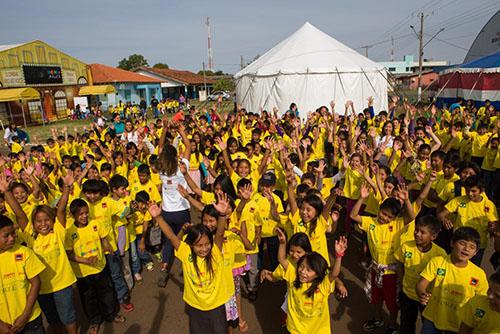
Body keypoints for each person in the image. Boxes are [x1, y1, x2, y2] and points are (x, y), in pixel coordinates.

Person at [147, 194, 234, 334]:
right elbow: (171, 235)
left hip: (216, 306)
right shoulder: (185, 252)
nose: (204, 248)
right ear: (191, 245)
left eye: (207, 244)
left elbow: (219, 233)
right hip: (195, 307)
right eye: (199, 245)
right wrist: (158, 217)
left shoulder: (215, 252)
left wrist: (222, 214)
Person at [417, 227, 488, 334]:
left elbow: (482, 301)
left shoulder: (479, 274)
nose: (466, 249)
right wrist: (422, 294)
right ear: (452, 243)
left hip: (460, 325)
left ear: (476, 252)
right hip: (433, 318)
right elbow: (421, 284)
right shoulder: (438, 262)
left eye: (472, 247)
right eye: (462, 243)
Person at [277, 227, 347, 334]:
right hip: (295, 329)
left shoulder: (322, 286)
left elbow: (334, 274)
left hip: (318, 330)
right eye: (301, 267)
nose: (302, 272)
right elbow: (282, 259)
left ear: (318, 274)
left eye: (309, 270)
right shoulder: (293, 276)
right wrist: (282, 243)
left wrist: (338, 256)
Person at [394, 215, 446, 334]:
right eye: (416, 230)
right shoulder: (406, 246)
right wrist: (401, 284)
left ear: (433, 236)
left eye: (423, 232)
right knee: (406, 323)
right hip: (407, 294)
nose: (417, 234)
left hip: (427, 299)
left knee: (428, 325)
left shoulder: (440, 254)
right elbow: (400, 264)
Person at [155, 120, 191, 287]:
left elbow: (160, 148)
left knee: (170, 240)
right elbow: (189, 147)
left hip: (167, 212)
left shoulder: (161, 168)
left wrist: (164, 130)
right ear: (176, 155)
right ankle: (189, 268)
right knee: (187, 240)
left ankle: (164, 268)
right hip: (182, 210)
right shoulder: (181, 167)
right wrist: (182, 132)